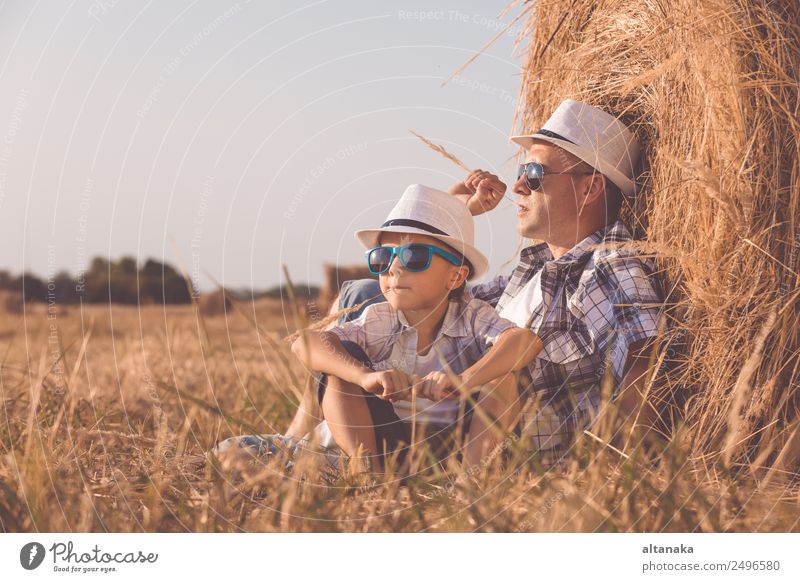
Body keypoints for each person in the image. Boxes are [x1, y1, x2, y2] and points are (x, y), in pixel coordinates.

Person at [217, 98, 666, 467]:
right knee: (368, 293)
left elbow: (646, 363)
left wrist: (620, 468)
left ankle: (332, 451)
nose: (518, 188)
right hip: (436, 410)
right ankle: (307, 435)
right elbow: (441, 296)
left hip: (498, 431)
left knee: (367, 298)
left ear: (589, 189)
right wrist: (449, 217)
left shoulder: (607, 266)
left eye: (534, 175)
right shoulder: (533, 267)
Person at [292, 184, 541, 472]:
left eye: (414, 257)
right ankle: (368, 476)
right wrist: (364, 377)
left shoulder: (472, 317)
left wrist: (465, 379)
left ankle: (469, 481)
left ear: (456, 276)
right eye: (383, 258)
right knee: (338, 367)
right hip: (386, 443)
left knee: (505, 376)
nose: (394, 268)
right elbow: (303, 343)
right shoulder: (379, 318)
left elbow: (525, 342)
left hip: (454, 445)